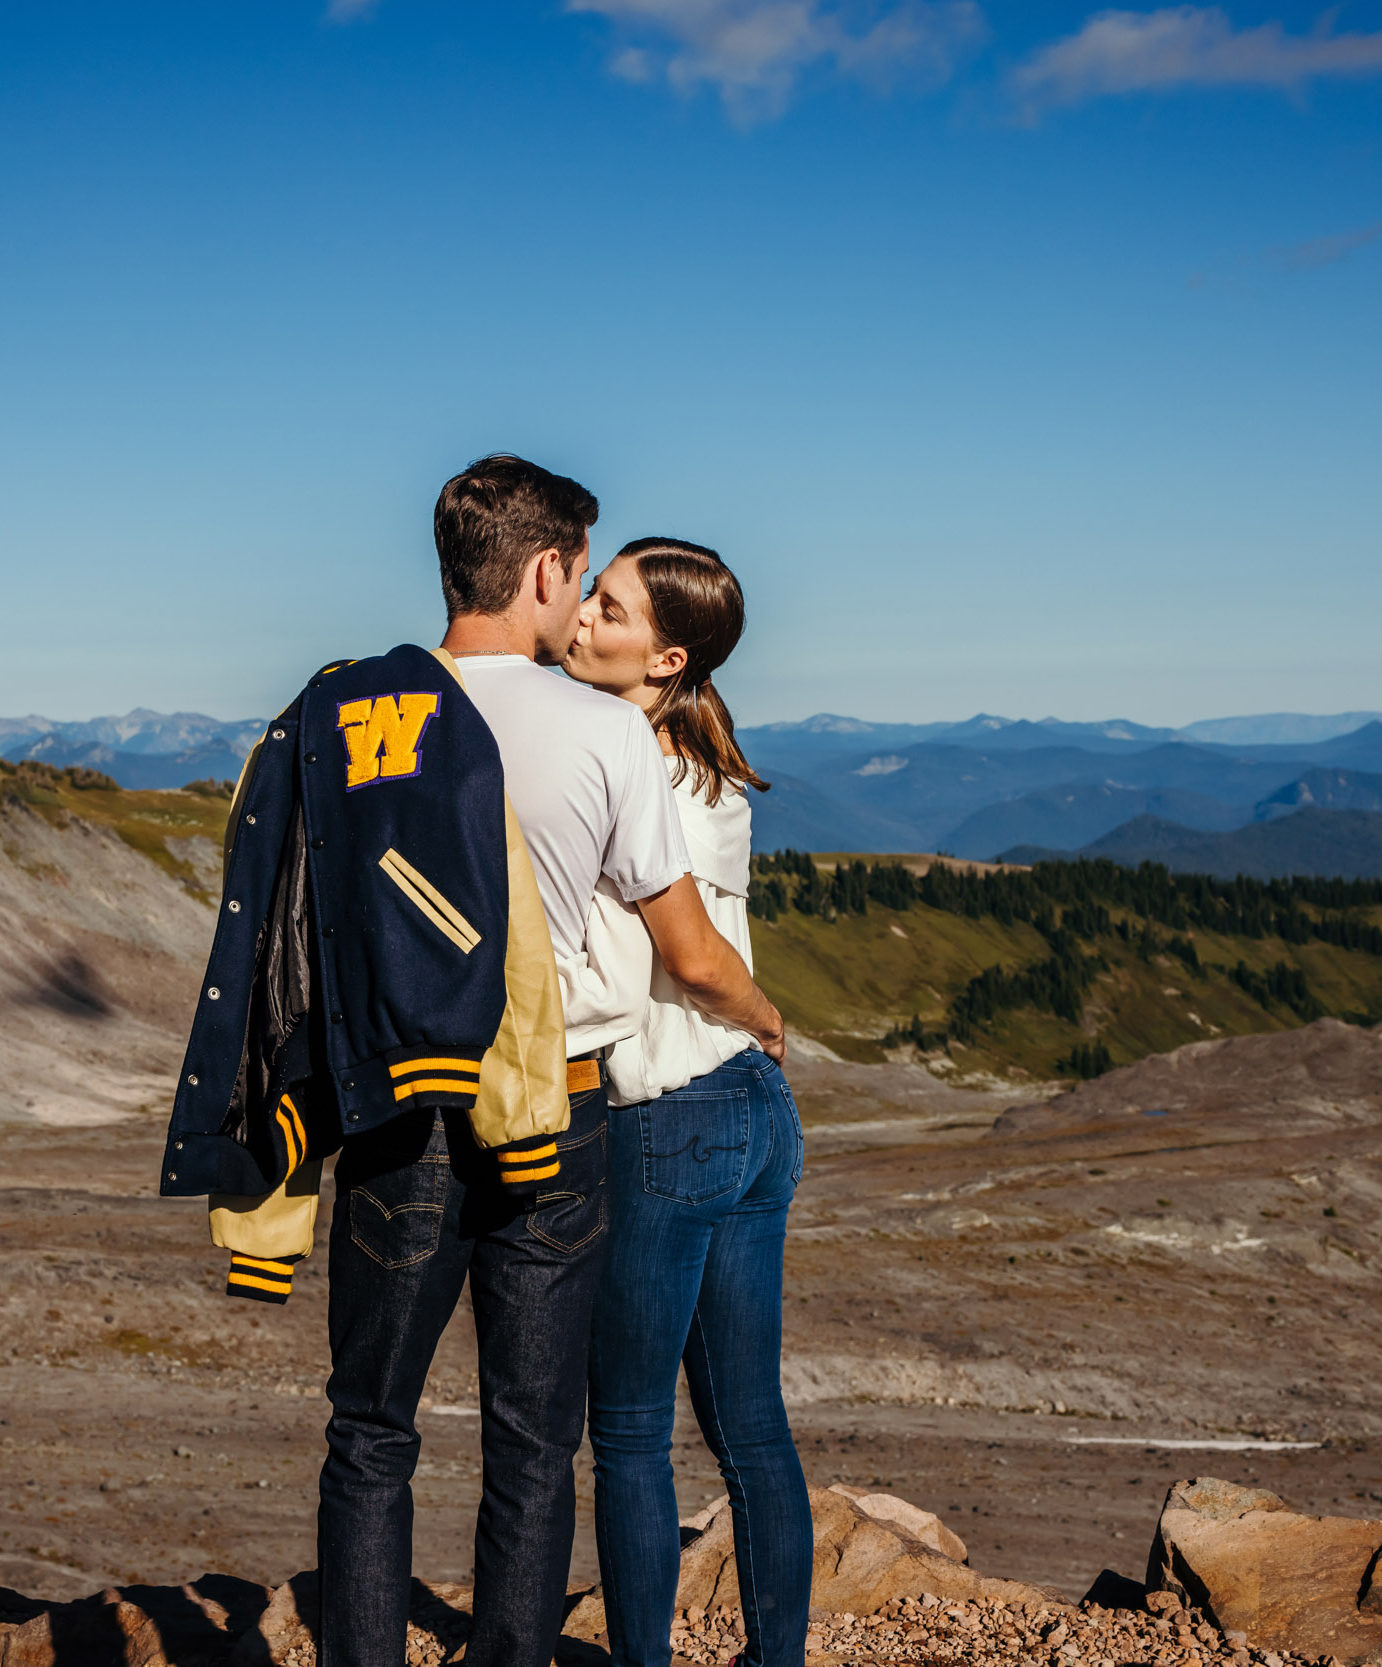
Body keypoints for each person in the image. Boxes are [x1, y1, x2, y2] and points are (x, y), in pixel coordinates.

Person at [316, 460, 789, 1667]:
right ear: (541, 569)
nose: (581, 605)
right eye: (583, 579)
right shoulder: (610, 737)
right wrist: (768, 1019)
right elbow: (688, 949)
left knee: (373, 1431)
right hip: (571, 1104)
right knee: (541, 1437)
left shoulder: (354, 716)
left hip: (394, 1106)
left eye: (605, 598)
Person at [561, 538, 813, 1667]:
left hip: (669, 1115)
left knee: (626, 1433)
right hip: (752, 1114)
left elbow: (696, 957)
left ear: (663, 654)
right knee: (749, 1423)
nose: (577, 614)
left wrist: (760, 1009)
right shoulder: (705, 768)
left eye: (605, 607)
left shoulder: (631, 769)